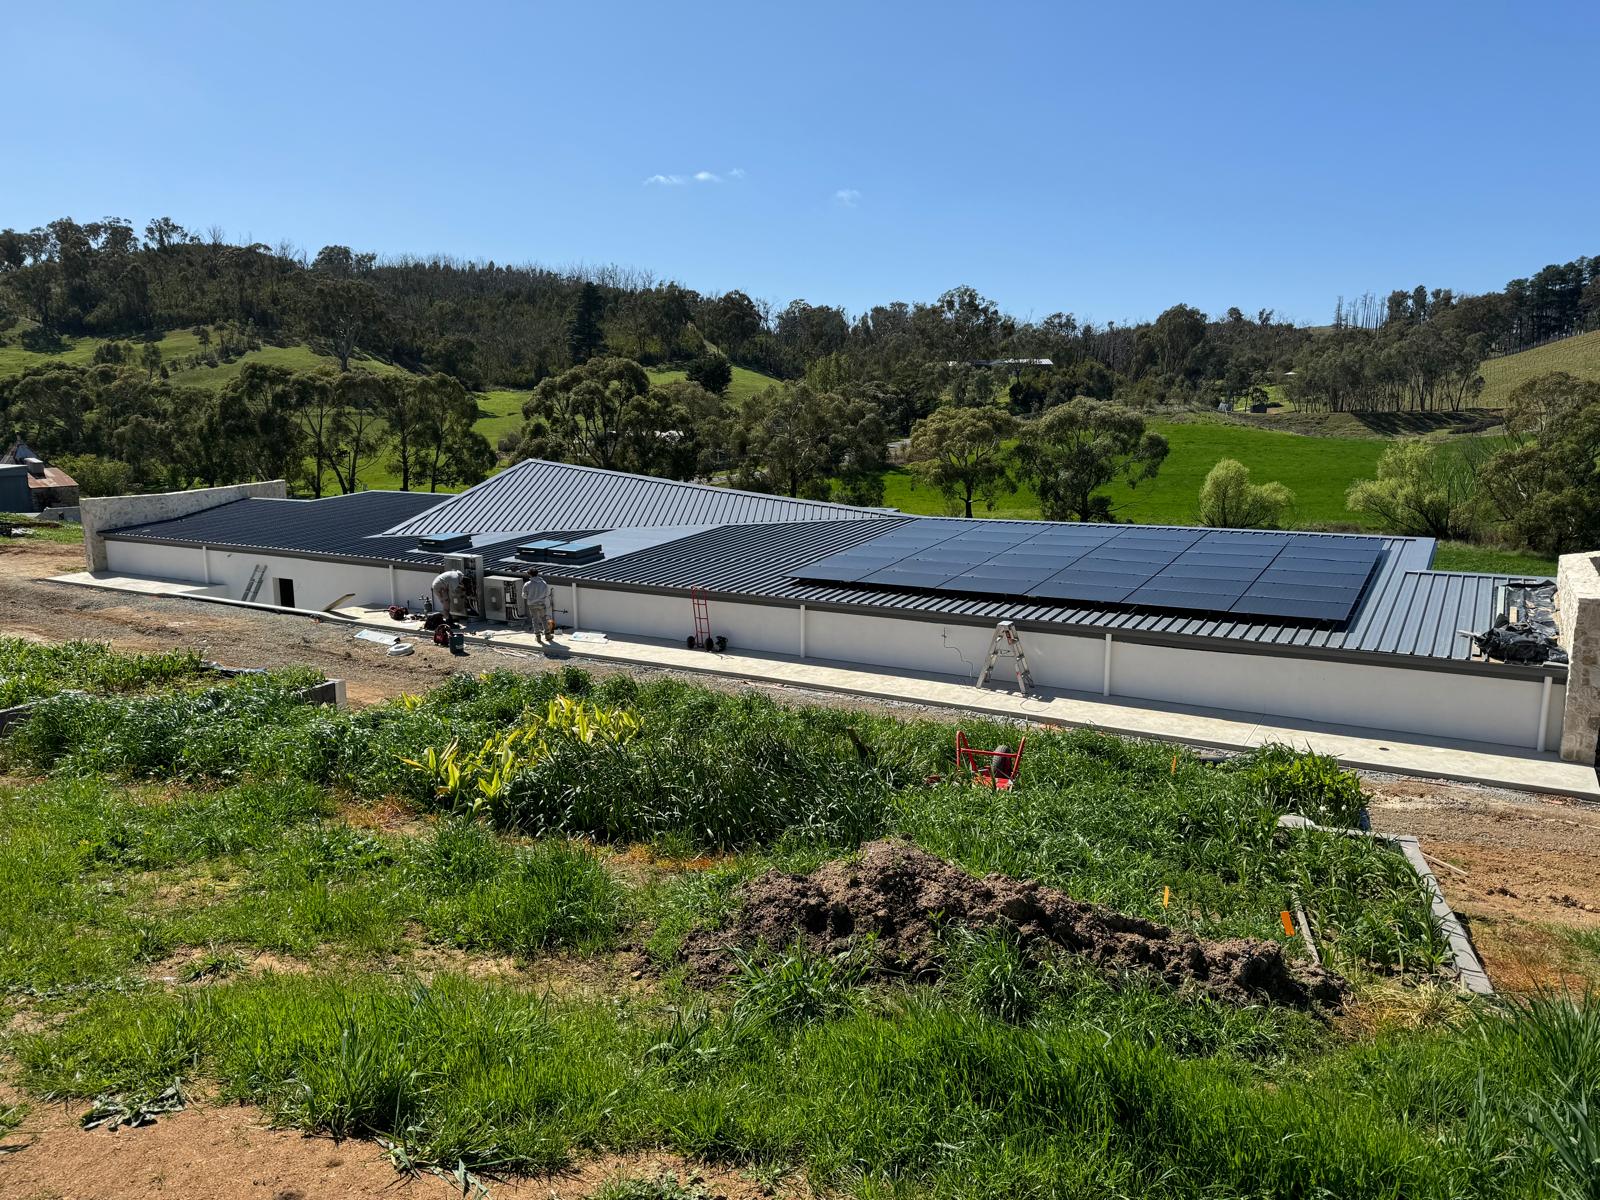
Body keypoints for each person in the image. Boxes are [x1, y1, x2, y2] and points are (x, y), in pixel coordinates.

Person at [521, 569, 552, 644]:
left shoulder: (527, 584)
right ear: (537, 574)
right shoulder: (543, 583)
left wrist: (530, 596)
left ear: (530, 575)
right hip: (541, 603)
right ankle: (547, 635)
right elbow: (547, 593)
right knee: (543, 618)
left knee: (534, 619)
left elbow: (524, 596)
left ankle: (538, 637)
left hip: (531, 604)